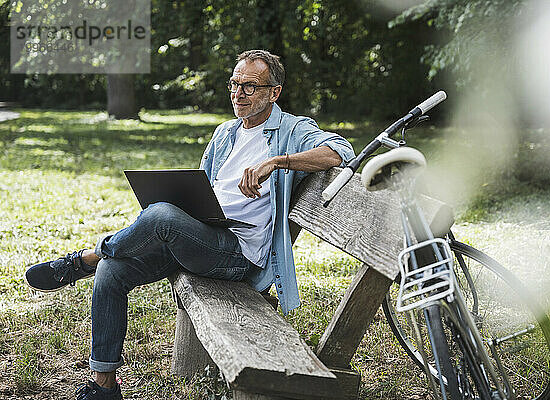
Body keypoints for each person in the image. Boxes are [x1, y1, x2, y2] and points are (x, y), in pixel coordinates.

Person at [24, 49, 355, 400]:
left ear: (274, 92)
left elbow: (341, 152)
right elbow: (203, 190)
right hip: (201, 238)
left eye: (250, 87)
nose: (238, 94)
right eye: (234, 84)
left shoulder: (292, 130)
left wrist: (277, 161)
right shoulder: (226, 132)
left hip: (237, 254)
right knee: (113, 272)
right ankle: (104, 386)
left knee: (161, 216)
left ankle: (87, 259)